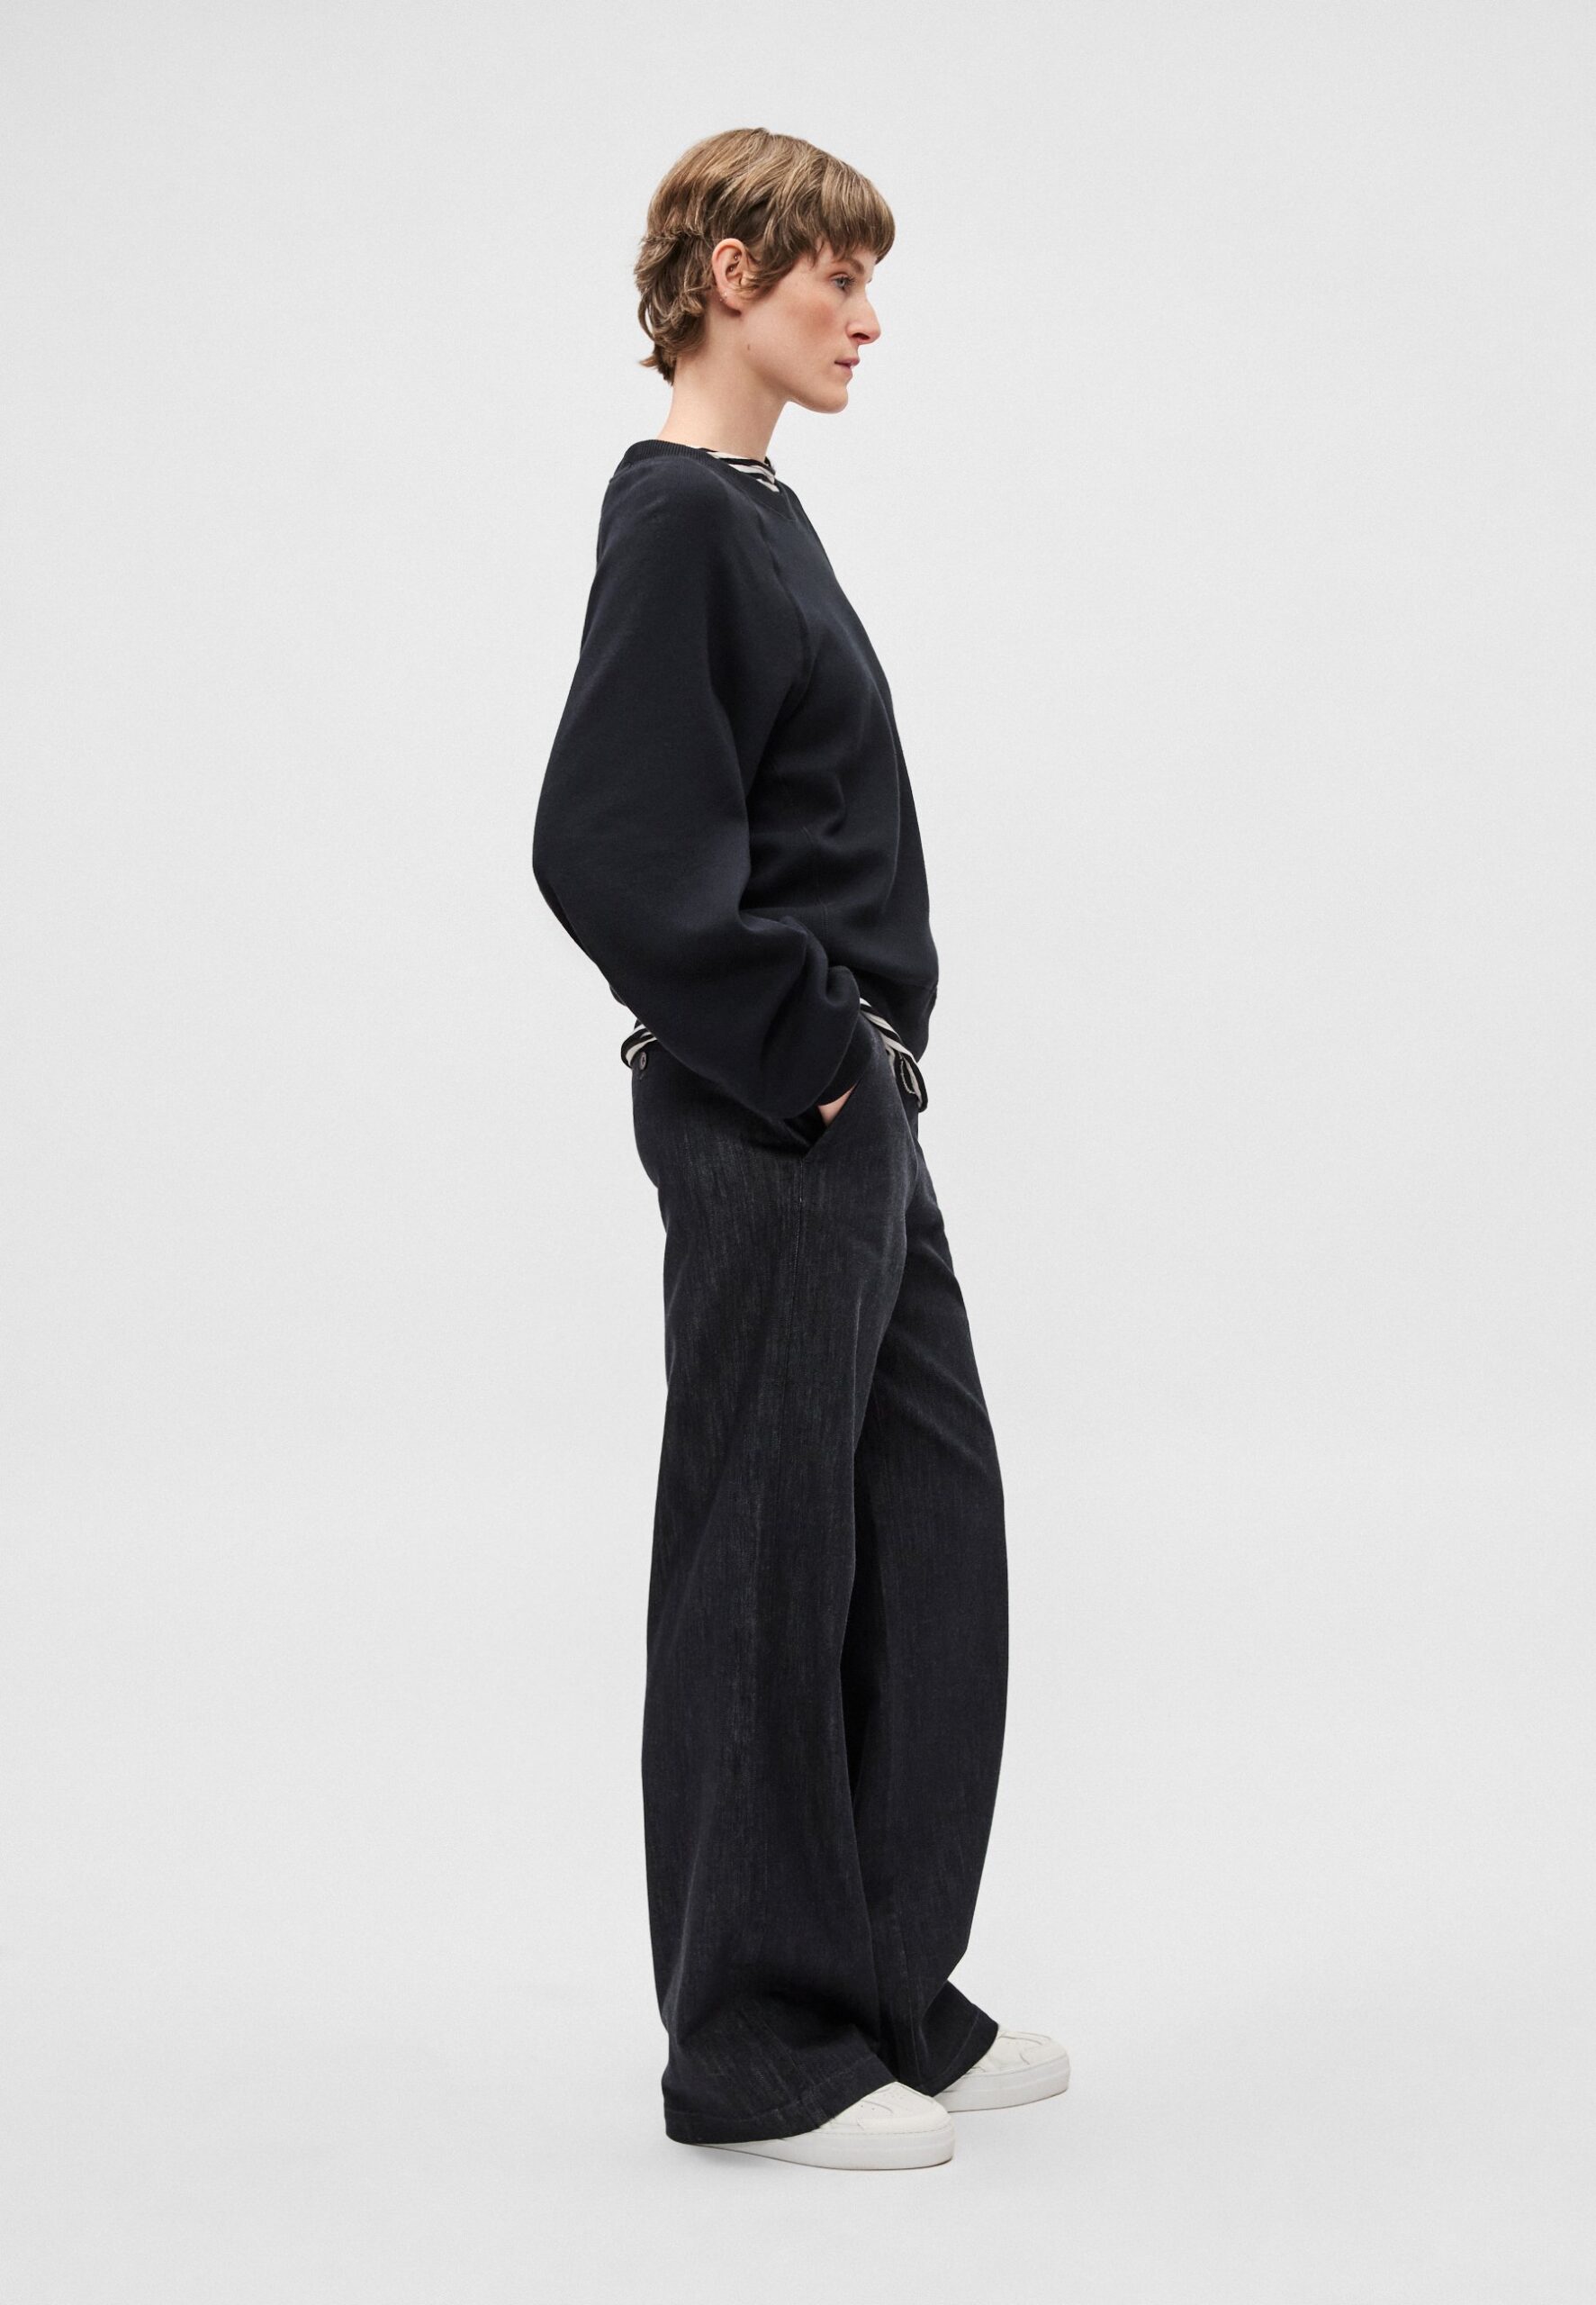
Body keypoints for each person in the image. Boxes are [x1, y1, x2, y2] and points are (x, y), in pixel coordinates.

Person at [531, 126, 1069, 2170]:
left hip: (850, 1109)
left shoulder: (757, 513)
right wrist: (808, 1053)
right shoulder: (677, 514)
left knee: (924, 1532)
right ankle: (755, 2047)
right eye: (835, 276)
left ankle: (881, 1988)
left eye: (866, 279)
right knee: (763, 1553)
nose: (866, 316)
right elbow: (599, 842)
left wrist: (862, 1074)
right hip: (778, 1104)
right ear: (731, 274)